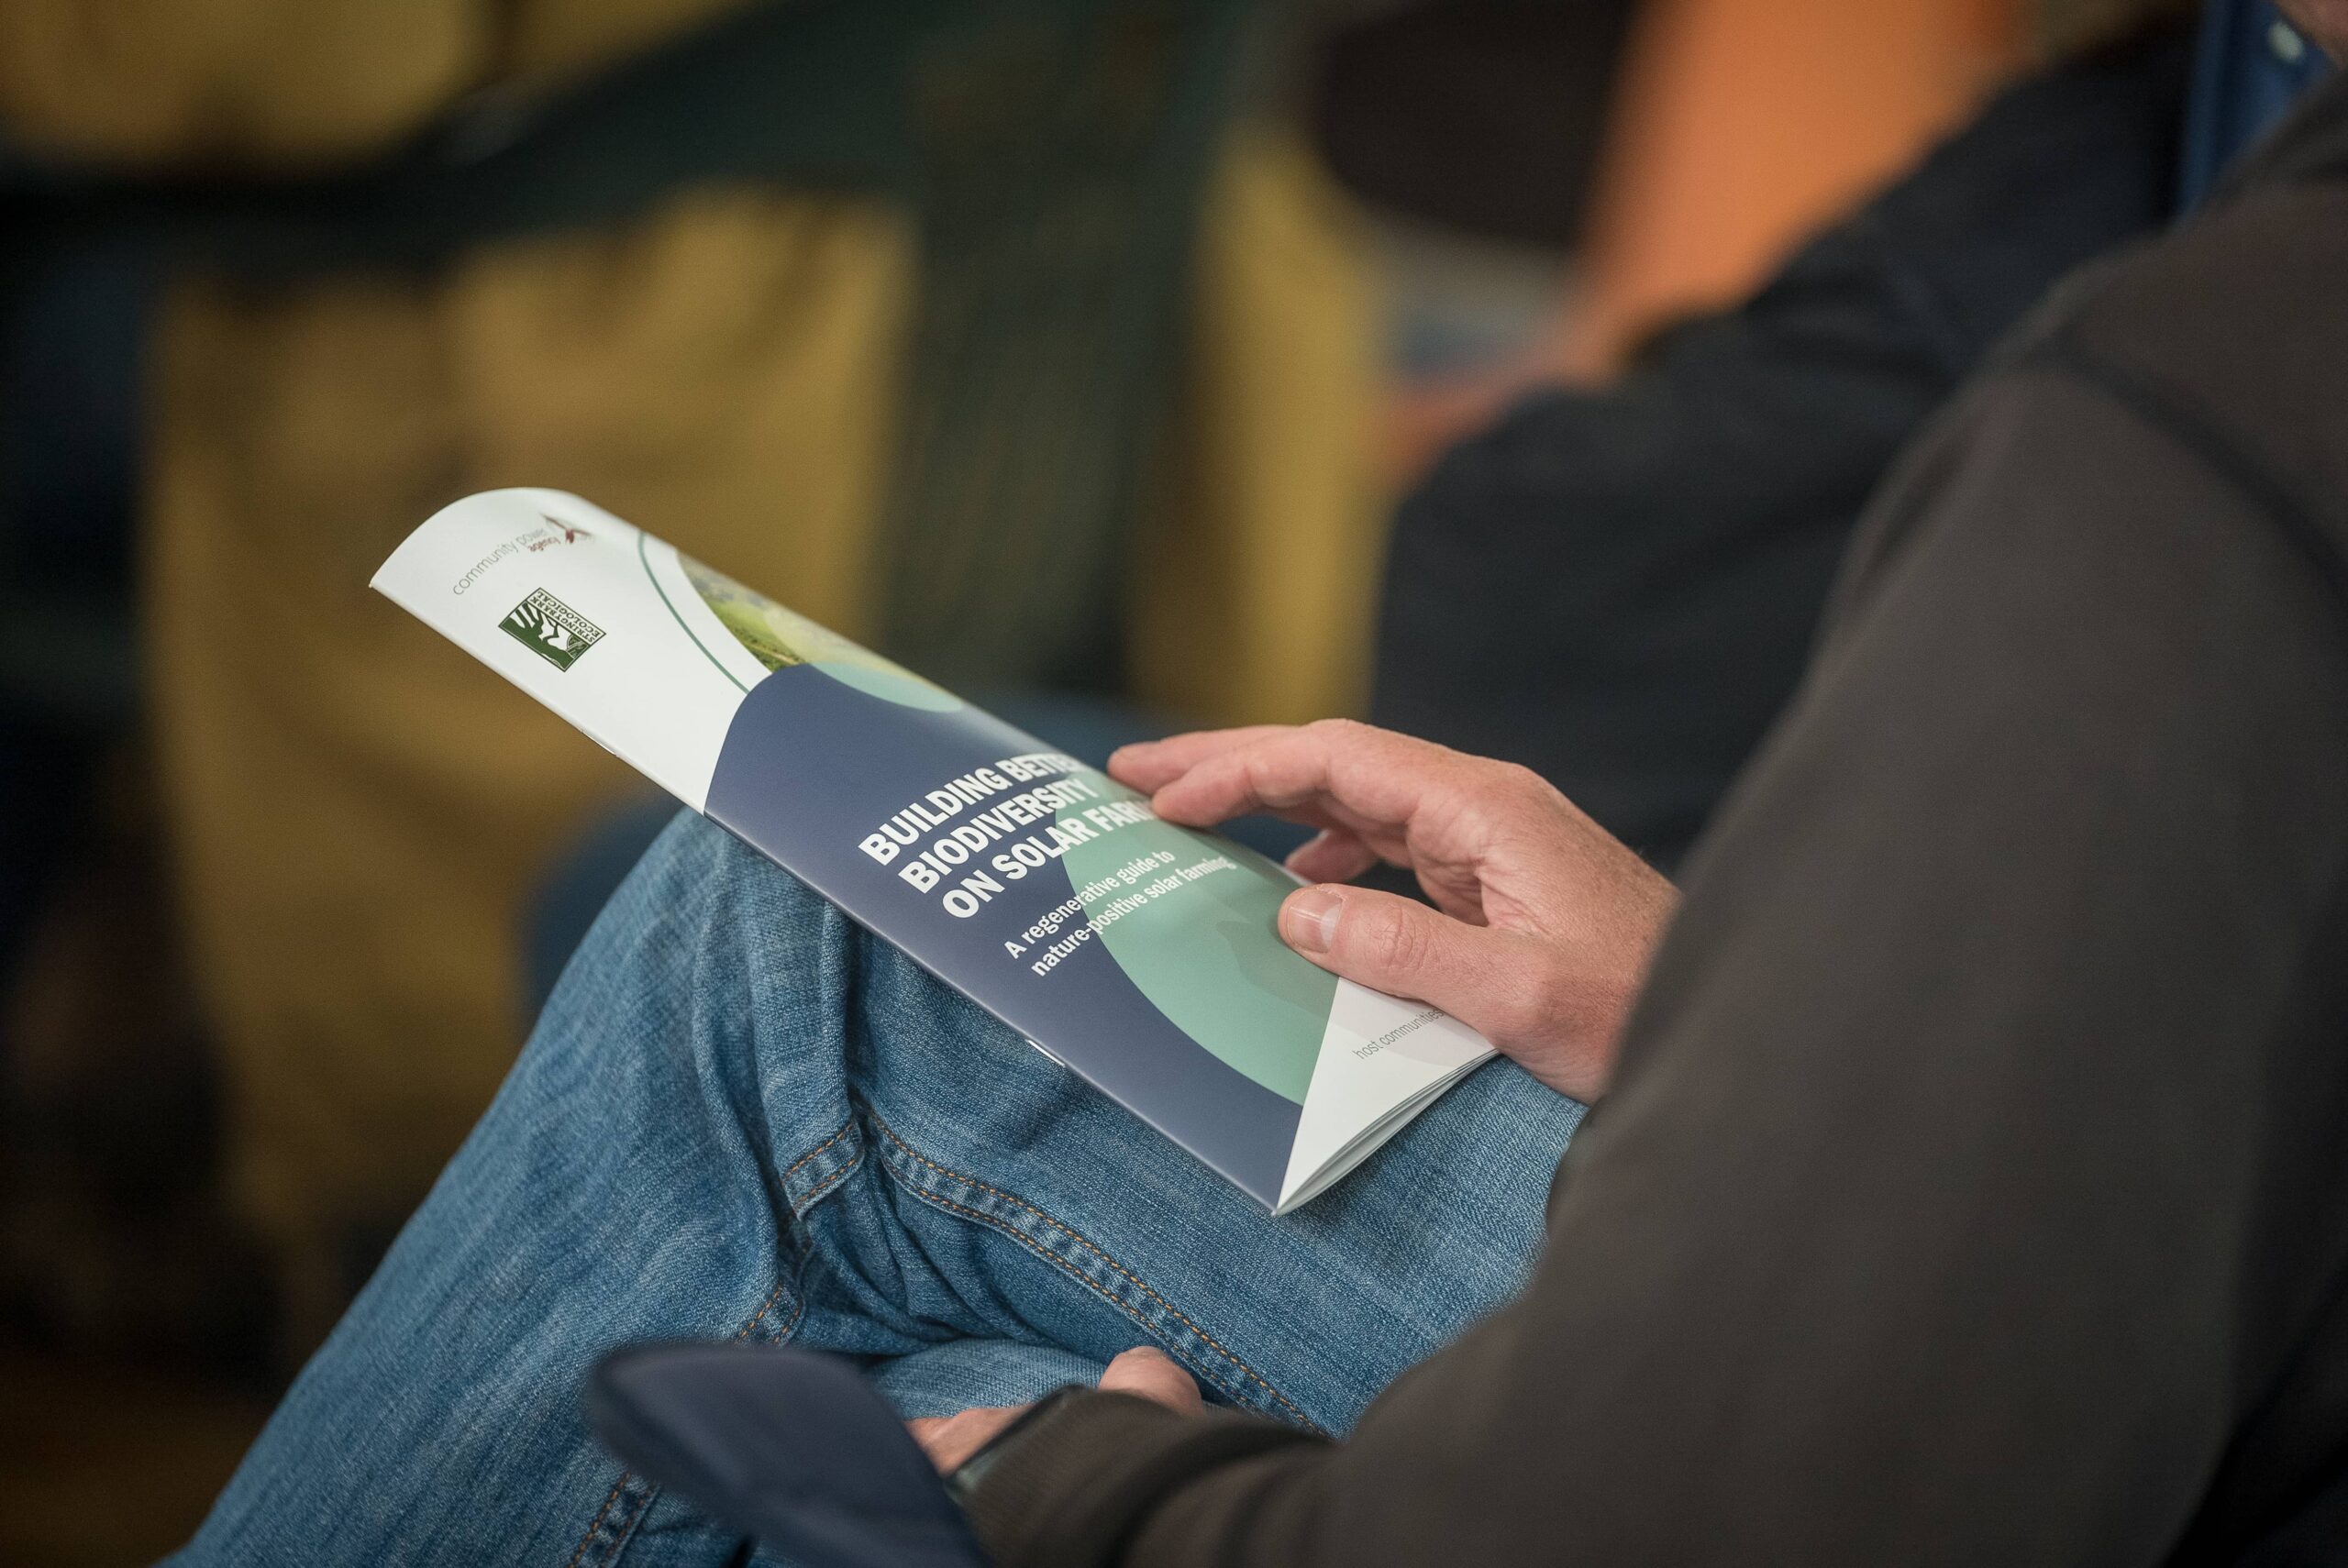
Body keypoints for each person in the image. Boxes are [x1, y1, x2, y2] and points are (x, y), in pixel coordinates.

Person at [173, 7, 2348, 1568]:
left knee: (806, 951)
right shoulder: (2193, 267)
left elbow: (1762, 1508)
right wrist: (1732, 1012)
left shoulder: (2186, 431)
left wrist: (1099, 1499)